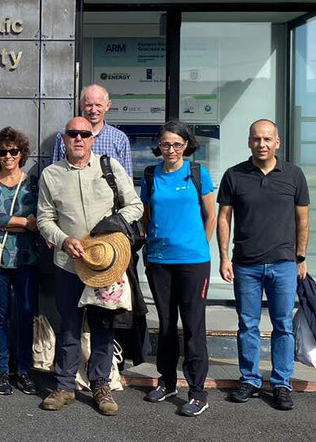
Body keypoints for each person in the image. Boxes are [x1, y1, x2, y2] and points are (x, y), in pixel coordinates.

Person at [37, 117, 142, 416]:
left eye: (85, 134)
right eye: (73, 134)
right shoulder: (51, 174)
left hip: (103, 265)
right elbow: (44, 219)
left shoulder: (109, 167)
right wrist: (62, 239)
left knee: (103, 325)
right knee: (69, 325)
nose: (79, 139)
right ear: (65, 139)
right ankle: (65, 386)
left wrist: (109, 231)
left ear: (93, 139)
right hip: (68, 263)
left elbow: (135, 205)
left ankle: (100, 385)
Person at [217, 119, 310, 412]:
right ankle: (250, 379)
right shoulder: (234, 176)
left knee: (283, 325)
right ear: (249, 142)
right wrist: (223, 257)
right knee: (248, 325)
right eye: (256, 139)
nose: (262, 144)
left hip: (283, 263)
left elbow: (303, 219)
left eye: (267, 139)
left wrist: (301, 256)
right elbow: (223, 218)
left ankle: (282, 383)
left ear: (277, 143)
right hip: (246, 265)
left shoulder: (294, 175)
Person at [141, 120, 217, 417]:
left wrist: (200, 245)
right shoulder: (151, 175)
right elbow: (147, 215)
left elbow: (211, 214)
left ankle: (198, 392)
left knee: (193, 326)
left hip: (193, 262)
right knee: (166, 322)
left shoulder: (198, 173)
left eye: (177, 144)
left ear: (187, 145)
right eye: (165, 144)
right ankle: (168, 381)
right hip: (160, 261)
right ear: (158, 147)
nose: (171, 149)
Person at [0, 127, 40, 396]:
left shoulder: (33, 184)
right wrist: (23, 223)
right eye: (3, 152)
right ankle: (2, 369)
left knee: (25, 315)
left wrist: (21, 224)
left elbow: (38, 220)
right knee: (0, 316)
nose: (8, 156)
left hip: (26, 257)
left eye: (13, 151)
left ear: (21, 153)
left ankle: (24, 369)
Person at [50, 84, 132, 175]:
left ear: (107, 106)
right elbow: (55, 173)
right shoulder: (66, 135)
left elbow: (127, 179)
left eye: (98, 105)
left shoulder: (119, 139)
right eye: (89, 105)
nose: (93, 110)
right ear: (81, 105)